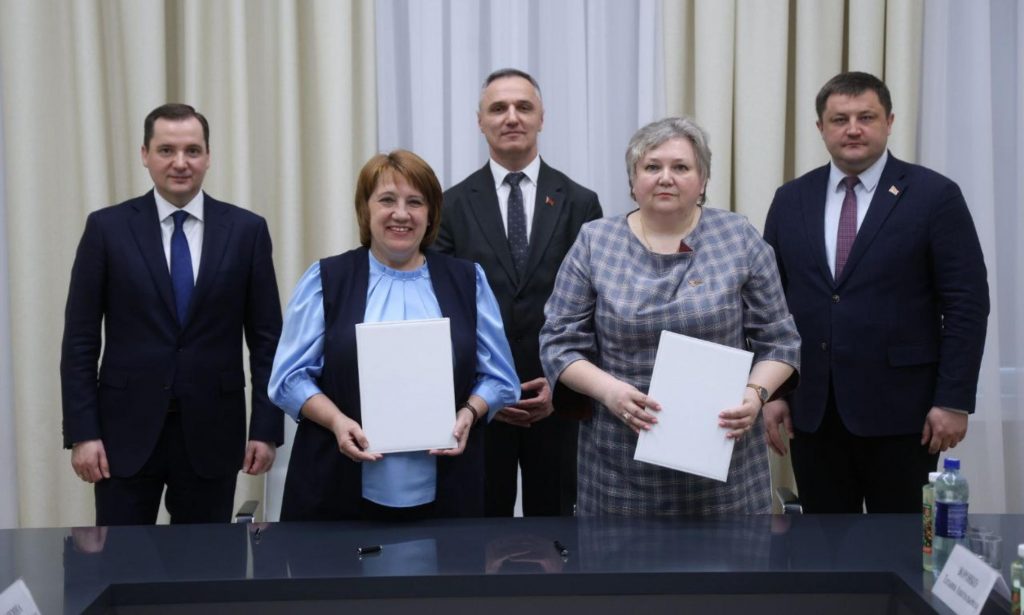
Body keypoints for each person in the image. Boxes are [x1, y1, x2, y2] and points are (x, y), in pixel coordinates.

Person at [539, 117, 800, 516]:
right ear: (633, 179)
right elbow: (558, 342)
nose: (665, 178)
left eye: (681, 167)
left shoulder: (739, 237)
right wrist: (609, 392)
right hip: (618, 467)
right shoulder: (595, 242)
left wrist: (755, 395)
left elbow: (780, 341)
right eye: (652, 166)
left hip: (725, 466)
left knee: (732, 560)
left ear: (703, 180)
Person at [762, 71, 989, 513]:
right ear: (821, 128)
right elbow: (770, 306)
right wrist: (774, 393)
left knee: (902, 544)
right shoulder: (791, 199)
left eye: (866, 117)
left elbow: (967, 304)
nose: (853, 129)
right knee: (824, 546)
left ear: (889, 122)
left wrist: (954, 400)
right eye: (839, 119)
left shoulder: (934, 196)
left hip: (907, 415)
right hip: (814, 413)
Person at [60, 103, 284, 525]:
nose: (180, 163)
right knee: (122, 561)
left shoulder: (246, 231)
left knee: (207, 562)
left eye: (192, 151)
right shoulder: (107, 229)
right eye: (166, 150)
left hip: (214, 434)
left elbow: (267, 340)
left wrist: (266, 429)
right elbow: (80, 341)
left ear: (208, 156)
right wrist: (83, 433)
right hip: (123, 435)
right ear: (145, 155)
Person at [270, 150, 520, 522]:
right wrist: (337, 421)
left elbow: (499, 377)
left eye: (415, 202)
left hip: (450, 491)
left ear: (431, 214)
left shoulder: (468, 281)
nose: (401, 214)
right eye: (387, 200)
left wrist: (470, 412)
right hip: (336, 487)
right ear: (365, 209)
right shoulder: (326, 280)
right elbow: (289, 378)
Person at [436, 68, 603, 517]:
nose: (511, 117)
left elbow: (595, 307)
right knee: (479, 534)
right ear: (480, 121)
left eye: (523, 107)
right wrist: (484, 392)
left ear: (541, 118)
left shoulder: (580, 203)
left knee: (558, 533)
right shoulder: (449, 206)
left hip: (557, 402)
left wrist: (559, 383)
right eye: (498, 108)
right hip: (477, 407)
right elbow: (444, 309)